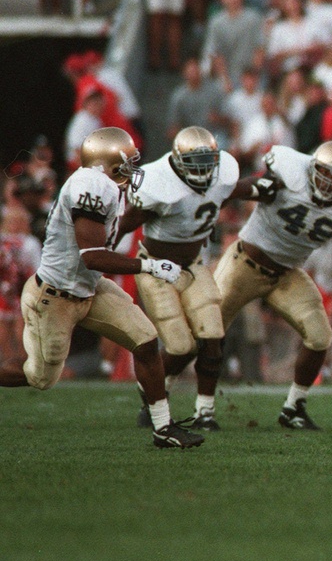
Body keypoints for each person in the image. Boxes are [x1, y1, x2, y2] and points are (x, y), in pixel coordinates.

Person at [0, 128, 203, 449]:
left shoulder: (107, 185)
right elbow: (93, 256)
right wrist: (150, 265)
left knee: (146, 341)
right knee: (39, 376)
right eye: (126, 164)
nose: (132, 170)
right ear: (105, 165)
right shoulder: (91, 185)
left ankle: (164, 428)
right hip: (54, 296)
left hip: (90, 289)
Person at [119, 126, 277, 430]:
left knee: (212, 336)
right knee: (181, 347)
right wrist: (99, 254)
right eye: (195, 164)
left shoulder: (219, 179)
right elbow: (126, 224)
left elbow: (239, 188)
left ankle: (205, 411)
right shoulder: (159, 186)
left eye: (208, 164)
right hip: (156, 267)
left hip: (193, 265)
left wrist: (266, 188)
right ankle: (151, 393)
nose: (204, 172)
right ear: (177, 163)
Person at [214, 141, 332, 430]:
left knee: (319, 336)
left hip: (287, 273)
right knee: (205, 329)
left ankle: (293, 408)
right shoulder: (288, 174)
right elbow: (244, 188)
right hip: (244, 263)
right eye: (324, 173)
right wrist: (253, 189)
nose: (329, 181)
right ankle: (175, 401)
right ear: (311, 168)